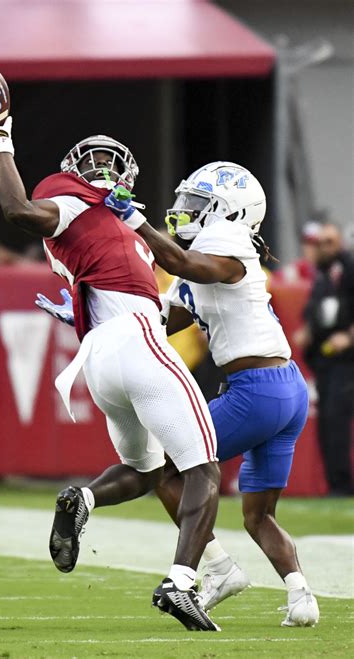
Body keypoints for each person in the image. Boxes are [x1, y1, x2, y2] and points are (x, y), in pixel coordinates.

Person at [0, 109, 221, 632]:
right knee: (204, 468)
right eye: (93, 160)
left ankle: (81, 498)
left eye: (110, 160)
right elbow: (16, 209)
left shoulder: (118, 226)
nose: (101, 167)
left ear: (125, 176)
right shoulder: (73, 203)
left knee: (147, 471)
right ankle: (182, 584)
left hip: (103, 355)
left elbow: (136, 288)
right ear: (77, 172)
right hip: (134, 344)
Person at [104, 161, 320, 627]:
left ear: (231, 212)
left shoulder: (227, 246)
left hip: (257, 391)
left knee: (159, 462)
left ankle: (217, 567)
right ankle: (301, 596)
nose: (185, 210)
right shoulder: (208, 253)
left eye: (199, 204)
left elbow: (182, 265)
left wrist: (134, 221)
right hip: (286, 389)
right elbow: (160, 322)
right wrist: (96, 319)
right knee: (258, 515)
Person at [297, 223, 354, 496]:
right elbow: (316, 309)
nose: (324, 247)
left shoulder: (349, 269)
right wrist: (309, 329)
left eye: (329, 242)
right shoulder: (323, 274)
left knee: (336, 418)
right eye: (320, 242)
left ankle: (341, 485)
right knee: (328, 422)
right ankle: (335, 483)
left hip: (347, 359)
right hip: (326, 360)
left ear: (340, 242)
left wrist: (349, 337)